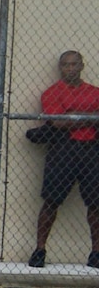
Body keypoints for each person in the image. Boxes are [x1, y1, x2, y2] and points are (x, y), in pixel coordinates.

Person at [29, 50, 99, 268]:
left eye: (74, 64)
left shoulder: (94, 92)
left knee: (96, 204)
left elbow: (66, 119)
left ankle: (96, 253)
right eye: (66, 65)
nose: (70, 68)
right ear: (60, 67)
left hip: (91, 149)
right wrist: (91, 117)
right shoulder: (51, 92)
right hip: (63, 149)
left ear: (81, 66)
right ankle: (40, 250)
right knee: (51, 201)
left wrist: (72, 115)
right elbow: (57, 123)